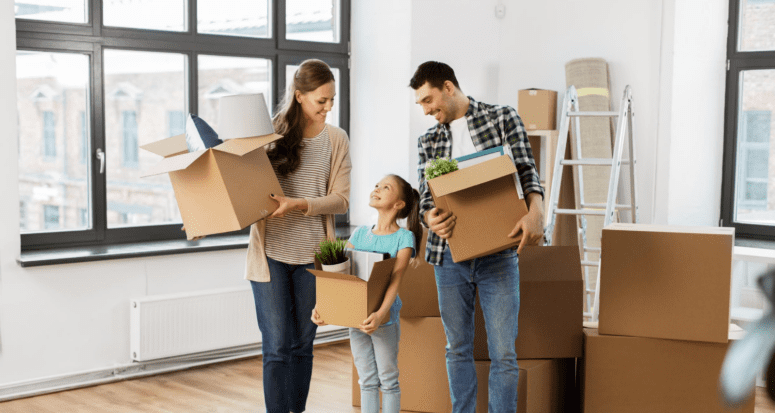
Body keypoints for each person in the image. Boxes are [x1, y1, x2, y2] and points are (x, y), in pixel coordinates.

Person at [409, 61, 545, 413]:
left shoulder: (501, 118)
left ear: (449, 87)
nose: (426, 110)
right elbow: (425, 196)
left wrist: (536, 213)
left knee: (503, 353)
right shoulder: (429, 140)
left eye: (428, 100)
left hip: (499, 252)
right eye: (420, 104)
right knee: (457, 348)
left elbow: (528, 170)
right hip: (449, 256)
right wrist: (429, 217)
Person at [244, 59, 352, 413]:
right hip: (271, 254)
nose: (328, 108)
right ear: (299, 96)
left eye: (332, 100)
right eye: (322, 100)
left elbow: (342, 199)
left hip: (312, 256)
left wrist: (299, 203)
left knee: (302, 345)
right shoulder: (269, 135)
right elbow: (241, 188)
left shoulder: (336, 140)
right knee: (277, 346)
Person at [311, 174, 421, 413]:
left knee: (388, 381)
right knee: (367, 380)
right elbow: (343, 278)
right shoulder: (360, 234)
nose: (377, 189)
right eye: (376, 185)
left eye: (386, 187)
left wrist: (381, 314)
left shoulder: (404, 238)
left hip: (383, 319)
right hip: (356, 319)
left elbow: (394, 282)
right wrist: (324, 307)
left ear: (399, 204)